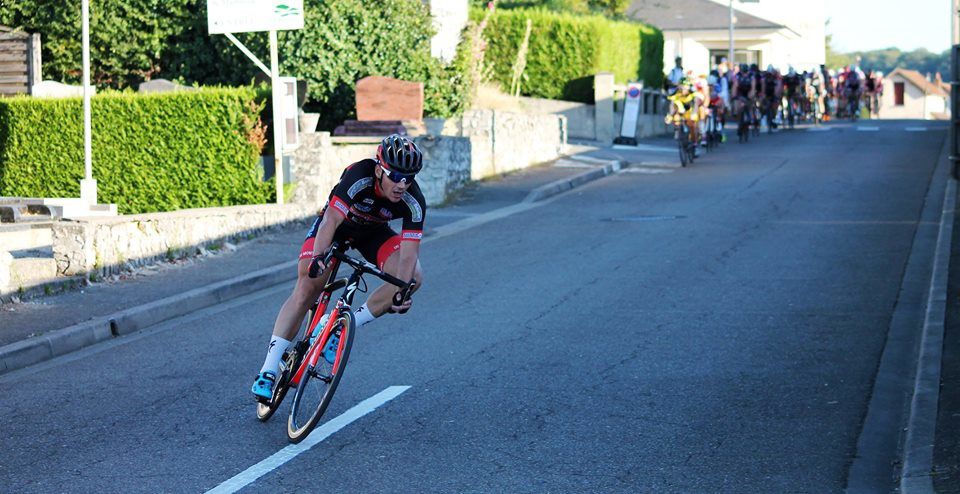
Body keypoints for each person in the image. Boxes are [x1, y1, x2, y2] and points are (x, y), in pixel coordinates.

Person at [251, 134, 427, 401]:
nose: (402, 184)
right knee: (308, 286)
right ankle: (269, 369)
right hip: (335, 228)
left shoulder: (414, 201)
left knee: (413, 277)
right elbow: (331, 219)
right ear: (380, 169)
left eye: (409, 177)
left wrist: (402, 290)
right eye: (395, 175)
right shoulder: (360, 175)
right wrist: (319, 257)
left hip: (373, 234)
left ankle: (343, 327)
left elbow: (409, 254)